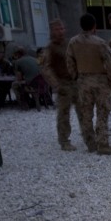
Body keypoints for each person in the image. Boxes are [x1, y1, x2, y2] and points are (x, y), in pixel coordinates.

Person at [66, 13, 111, 155]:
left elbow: (70, 62)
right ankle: (103, 143)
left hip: (83, 81)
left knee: (85, 113)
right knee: (103, 111)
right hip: (100, 81)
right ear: (94, 26)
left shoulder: (73, 42)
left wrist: (76, 76)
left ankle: (90, 143)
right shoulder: (100, 43)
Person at [42, 19, 83, 151]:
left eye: (62, 29)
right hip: (63, 84)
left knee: (83, 111)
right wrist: (56, 85)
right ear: (52, 31)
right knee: (64, 114)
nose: (60, 32)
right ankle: (64, 140)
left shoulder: (70, 44)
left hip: (76, 82)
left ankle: (89, 136)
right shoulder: (50, 48)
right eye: (57, 29)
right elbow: (45, 68)